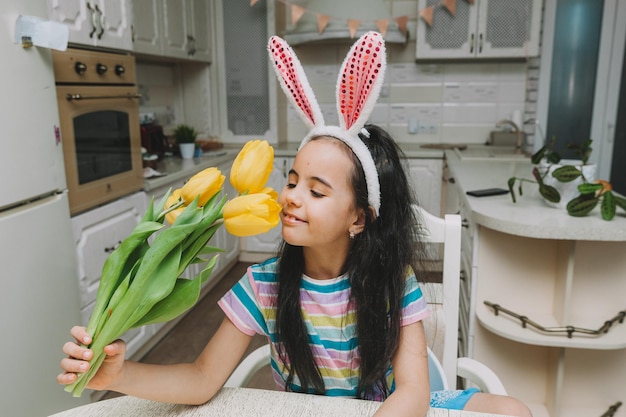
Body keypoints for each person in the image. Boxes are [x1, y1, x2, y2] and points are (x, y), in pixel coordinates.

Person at [59, 32, 532, 417]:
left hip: (390, 409)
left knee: (514, 410)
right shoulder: (263, 285)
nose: (290, 196)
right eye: (292, 180)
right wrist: (118, 375)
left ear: (358, 218)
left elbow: (410, 393)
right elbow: (202, 380)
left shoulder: (394, 281)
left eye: (317, 190)